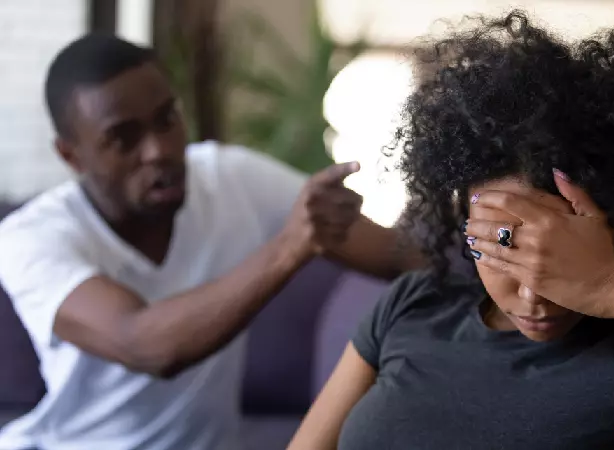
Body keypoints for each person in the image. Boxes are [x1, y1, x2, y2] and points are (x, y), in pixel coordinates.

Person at [288, 11, 614, 450]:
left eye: (555, 250)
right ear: (463, 212)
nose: (532, 295)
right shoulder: (413, 306)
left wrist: (611, 284)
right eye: (504, 246)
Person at [0, 34, 424, 450]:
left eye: (167, 119)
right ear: (70, 155)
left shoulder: (230, 179)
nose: (159, 150)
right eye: (124, 138)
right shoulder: (29, 239)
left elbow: (397, 255)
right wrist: (290, 247)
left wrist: (483, 236)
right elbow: (143, 344)